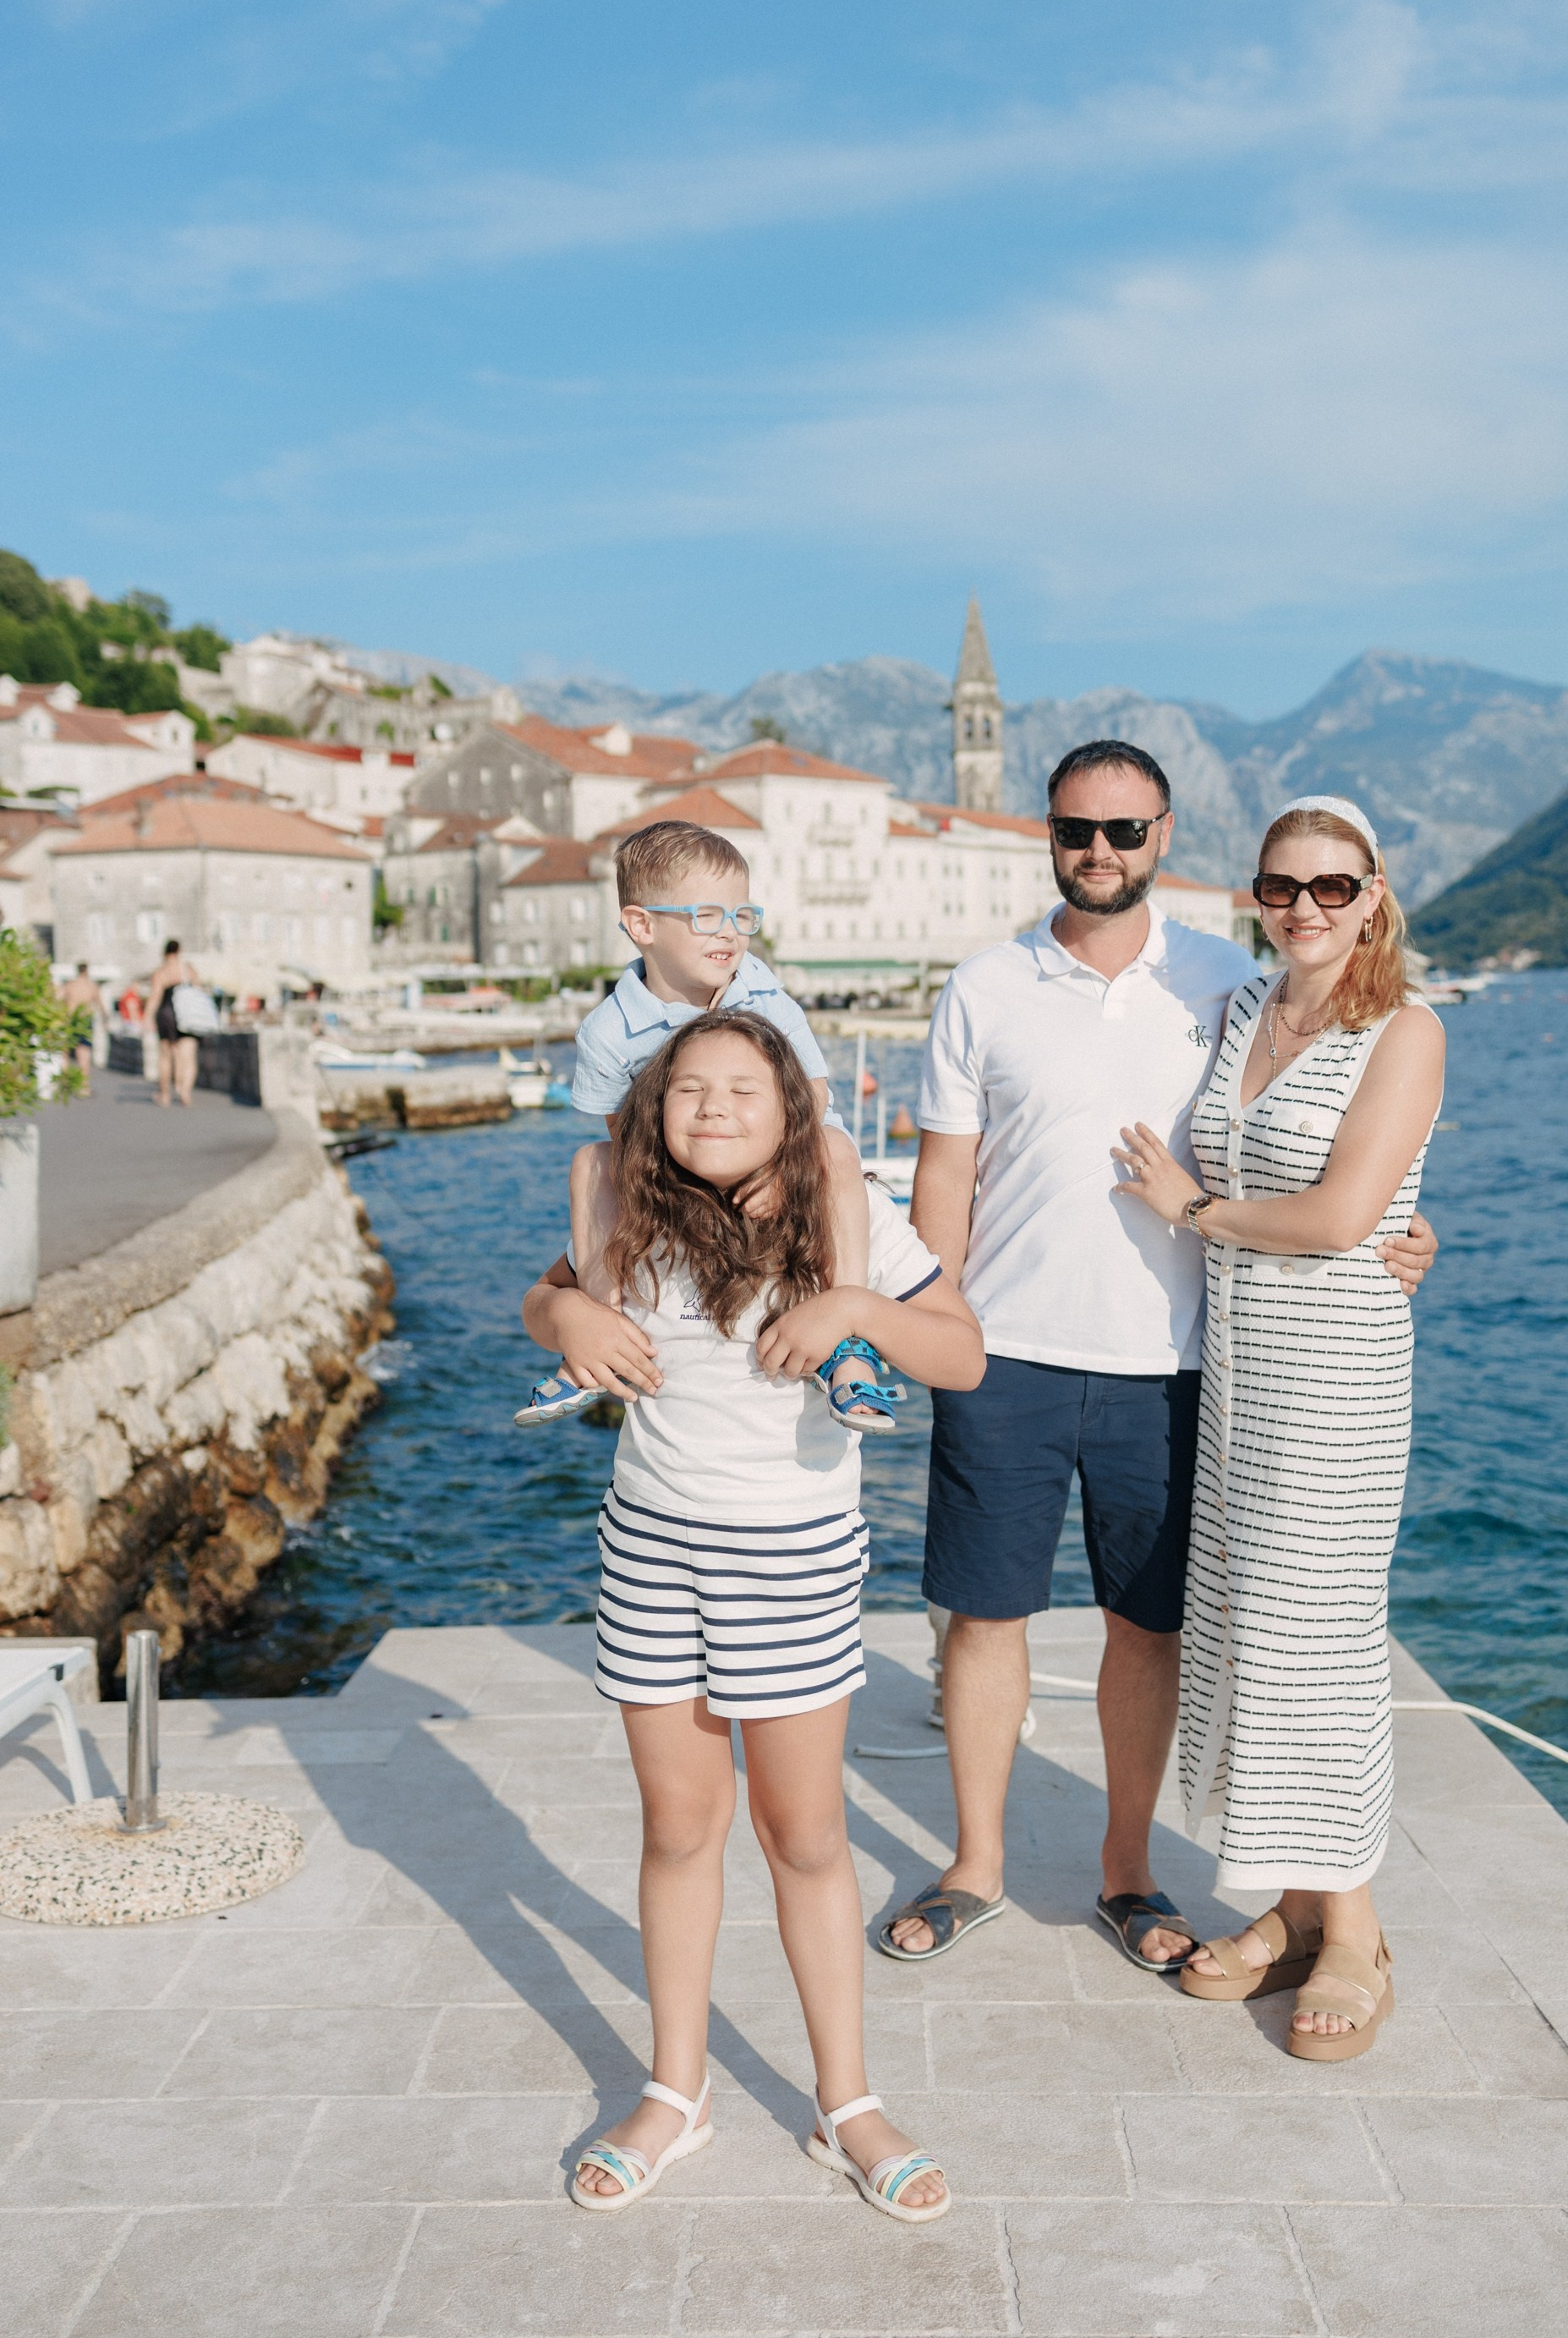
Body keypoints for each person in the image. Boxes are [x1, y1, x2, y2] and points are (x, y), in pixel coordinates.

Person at [879, 741, 1437, 1971]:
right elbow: (944, 1173)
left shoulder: (1228, 984)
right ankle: (975, 1867)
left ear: (1165, 837)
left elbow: (1325, 1136)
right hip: (1002, 1352)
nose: (1100, 850)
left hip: (1180, 1364)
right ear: (1048, 833)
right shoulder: (983, 987)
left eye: (1125, 830)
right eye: (1077, 828)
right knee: (982, 1616)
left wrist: (1402, 1228)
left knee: (1147, 1629)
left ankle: (1126, 1874)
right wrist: (933, 1320)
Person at [522, 1013, 984, 2218]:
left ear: (791, 1110)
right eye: (688, 1088)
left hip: (790, 1562)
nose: (713, 1107)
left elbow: (962, 1355)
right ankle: (676, 2091)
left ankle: (847, 2105)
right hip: (649, 1554)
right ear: (654, 1106)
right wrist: (567, 1319)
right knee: (679, 1830)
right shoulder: (631, 1208)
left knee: (807, 1837)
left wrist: (852, 1311)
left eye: (742, 1088)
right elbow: (546, 1301)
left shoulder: (847, 1211)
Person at [1114, 795, 1442, 2060]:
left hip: (1335, 1377)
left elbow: (1344, 1217)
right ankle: (1298, 1909)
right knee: (1251, 1628)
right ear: (1255, 896)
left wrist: (1192, 1211)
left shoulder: (1405, 1028)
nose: (1304, 907)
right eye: (1280, 886)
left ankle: (1353, 1931)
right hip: (1240, 1375)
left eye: (1331, 887)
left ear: (1372, 894)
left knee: (1320, 1641)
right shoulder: (1245, 1007)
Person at [518, 819, 891, 1434]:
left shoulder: (762, 992)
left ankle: (848, 1339)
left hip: (794, 1158)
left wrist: (782, 1169)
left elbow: (813, 1094)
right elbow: (627, 1136)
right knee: (590, 1163)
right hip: (683, 1171)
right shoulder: (609, 1033)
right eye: (707, 916)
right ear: (642, 925)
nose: (730, 933)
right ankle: (601, 1333)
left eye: (743, 916)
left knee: (834, 1145)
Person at [145, 939, 201, 1108]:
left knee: (165, 1056)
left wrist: (147, 1017)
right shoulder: (188, 970)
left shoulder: (161, 972)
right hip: (187, 1014)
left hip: (167, 1012)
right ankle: (185, 1093)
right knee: (189, 1056)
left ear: (164, 953)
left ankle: (165, 1095)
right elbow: (198, 991)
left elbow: (155, 996)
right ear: (179, 951)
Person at [60, 962, 104, 1088]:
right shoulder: (92, 986)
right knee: (84, 1051)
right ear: (87, 971)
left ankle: (65, 1082)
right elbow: (100, 1004)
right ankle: (84, 1085)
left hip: (70, 1018)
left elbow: (58, 998)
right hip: (85, 1019)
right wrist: (105, 1018)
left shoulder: (70, 985)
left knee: (65, 1050)